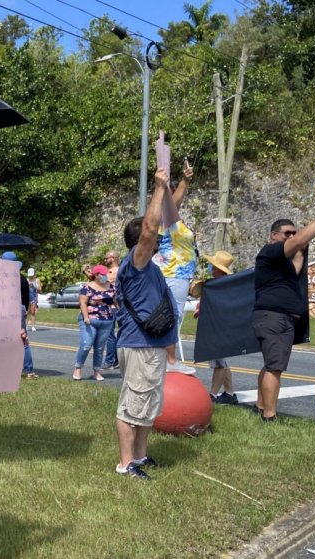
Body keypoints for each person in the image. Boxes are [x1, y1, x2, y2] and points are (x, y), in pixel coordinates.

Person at [114, 167, 178, 480]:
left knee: (146, 405)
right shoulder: (137, 263)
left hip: (149, 346)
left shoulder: (148, 265)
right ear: (142, 241)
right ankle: (126, 465)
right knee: (133, 405)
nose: (158, 240)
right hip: (139, 345)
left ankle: (139, 456)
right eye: (153, 238)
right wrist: (158, 187)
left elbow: (162, 222)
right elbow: (151, 229)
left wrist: (173, 190)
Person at [253, 208, 315, 422]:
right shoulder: (270, 251)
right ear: (274, 235)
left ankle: (261, 406)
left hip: (279, 318)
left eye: (294, 232)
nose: (291, 236)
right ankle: (269, 416)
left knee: (271, 364)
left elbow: (299, 251)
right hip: (274, 317)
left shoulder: (284, 265)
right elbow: (298, 241)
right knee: (275, 368)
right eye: (286, 233)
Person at [152, 160, 199, 375]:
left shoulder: (172, 220)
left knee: (174, 315)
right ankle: (170, 361)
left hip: (180, 273)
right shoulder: (164, 216)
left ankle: (167, 359)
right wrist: (184, 181)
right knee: (173, 315)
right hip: (173, 272)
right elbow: (174, 204)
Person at [192, 250, 239, 404]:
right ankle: (230, 393)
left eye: (214, 266)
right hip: (224, 326)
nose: (212, 268)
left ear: (218, 269)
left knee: (218, 362)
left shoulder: (217, 286)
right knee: (222, 361)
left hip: (217, 327)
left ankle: (212, 394)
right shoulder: (228, 286)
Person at [73, 264, 117, 382]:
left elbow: (116, 300)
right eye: (103, 274)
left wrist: (120, 311)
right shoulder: (87, 287)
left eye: (106, 274)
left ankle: (96, 372)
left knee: (99, 348)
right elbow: (82, 303)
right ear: (97, 275)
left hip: (107, 320)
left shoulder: (111, 287)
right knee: (86, 345)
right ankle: (78, 368)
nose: (105, 276)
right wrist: (86, 317)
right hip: (90, 320)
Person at [1, 251, 38, 380]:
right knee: (23, 339)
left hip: (4, 309)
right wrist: (25, 311)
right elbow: (27, 297)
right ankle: (29, 370)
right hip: (19, 309)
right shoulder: (22, 278)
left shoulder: (0, 278)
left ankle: (6, 368)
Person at [101, 250, 121, 370]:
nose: (105, 260)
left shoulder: (113, 272)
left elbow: (100, 283)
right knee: (118, 334)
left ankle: (109, 360)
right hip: (116, 306)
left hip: (112, 307)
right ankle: (117, 360)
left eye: (106, 258)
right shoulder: (120, 270)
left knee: (109, 335)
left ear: (113, 258)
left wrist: (90, 273)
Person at [26, 267, 41, 332]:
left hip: (34, 298)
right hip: (27, 297)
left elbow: (40, 289)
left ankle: (33, 326)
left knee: (32, 311)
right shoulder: (27, 280)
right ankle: (26, 325)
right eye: (30, 275)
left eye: (32, 275)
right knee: (27, 312)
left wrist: (35, 286)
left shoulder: (37, 280)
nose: (31, 277)